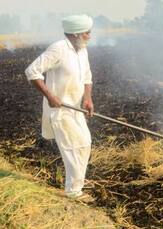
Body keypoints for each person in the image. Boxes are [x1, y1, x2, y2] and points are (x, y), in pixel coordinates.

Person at [25, 14, 94, 199]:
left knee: (85, 143)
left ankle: (76, 186)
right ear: (76, 33)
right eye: (87, 32)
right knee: (73, 147)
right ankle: (73, 192)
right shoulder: (58, 49)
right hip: (60, 110)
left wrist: (88, 99)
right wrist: (50, 95)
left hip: (76, 107)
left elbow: (87, 77)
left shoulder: (82, 50)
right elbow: (32, 71)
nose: (89, 35)